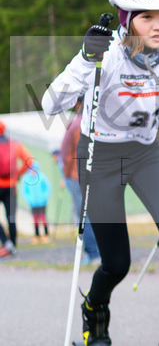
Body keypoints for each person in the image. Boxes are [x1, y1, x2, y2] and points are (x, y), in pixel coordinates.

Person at [41, 0, 159, 346]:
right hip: (101, 155)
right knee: (116, 264)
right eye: (147, 16)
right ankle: (95, 314)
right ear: (126, 18)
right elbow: (50, 104)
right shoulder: (108, 56)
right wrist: (84, 59)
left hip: (146, 154)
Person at [58, 103, 101, 265]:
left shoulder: (75, 124)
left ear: (78, 105)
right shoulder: (98, 124)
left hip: (77, 176)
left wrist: (67, 175)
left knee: (84, 216)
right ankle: (101, 252)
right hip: (98, 176)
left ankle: (93, 253)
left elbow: (66, 153)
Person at [0, 119, 36, 258]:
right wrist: (17, 174)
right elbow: (30, 160)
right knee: (11, 218)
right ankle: (13, 247)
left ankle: (5, 242)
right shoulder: (15, 144)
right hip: (11, 186)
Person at [19, 164, 51, 244]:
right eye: (31, 170)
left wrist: (44, 197)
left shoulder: (42, 177)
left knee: (43, 218)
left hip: (42, 202)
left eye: (34, 169)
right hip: (33, 203)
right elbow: (24, 191)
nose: (32, 171)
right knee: (35, 219)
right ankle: (37, 235)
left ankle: (46, 235)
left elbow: (47, 187)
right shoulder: (26, 179)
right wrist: (29, 199)